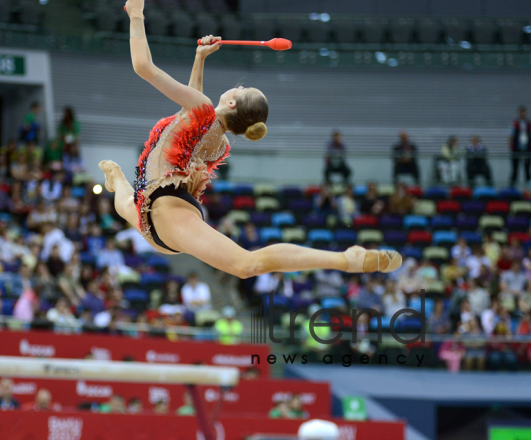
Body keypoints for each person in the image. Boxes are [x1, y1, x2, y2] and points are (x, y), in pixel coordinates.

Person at [98, 14, 401, 278]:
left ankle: (348, 259)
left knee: (246, 265)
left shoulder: (203, 113)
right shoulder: (217, 140)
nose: (237, 86)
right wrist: (199, 58)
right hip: (156, 218)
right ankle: (117, 177)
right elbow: (192, 116)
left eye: (242, 89)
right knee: (126, 203)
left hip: (167, 212)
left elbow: (142, 66)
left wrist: (136, 14)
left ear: (231, 101)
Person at [510, 105, 530, 187]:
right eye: (521, 112)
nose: (522, 114)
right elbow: (511, 136)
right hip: (517, 149)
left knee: (527, 170)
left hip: (527, 149)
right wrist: (512, 148)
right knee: (515, 169)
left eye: (524, 112)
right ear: (519, 113)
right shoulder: (515, 123)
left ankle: (528, 188)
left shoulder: (528, 123)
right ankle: (512, 187)